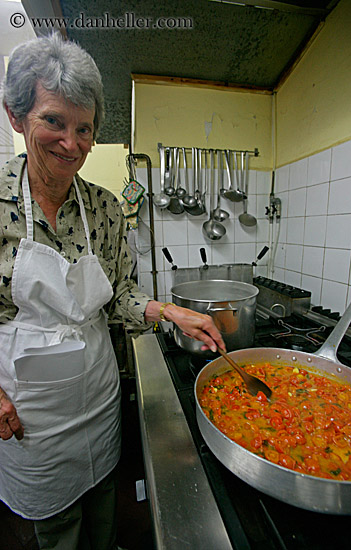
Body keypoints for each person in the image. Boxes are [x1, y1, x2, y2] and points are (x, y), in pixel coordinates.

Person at [0, 33, 225, 550]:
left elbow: (119, 294)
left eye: (84, 128)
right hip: (30, 416)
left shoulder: (102, 208)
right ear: (17, 117)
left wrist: (170, 312)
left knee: (102, 516)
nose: (71, 143)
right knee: (57, 532)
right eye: (53, 121)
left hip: (96, 402)